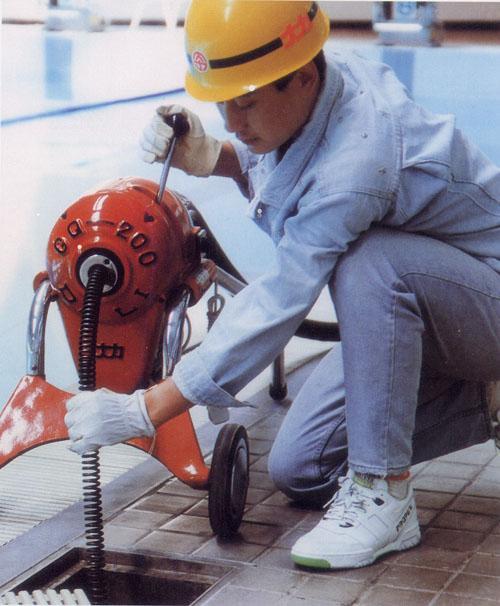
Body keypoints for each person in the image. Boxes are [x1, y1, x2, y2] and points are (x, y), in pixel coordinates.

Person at [65, 0, 500, 570]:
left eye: (245, 103)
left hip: (486, 301)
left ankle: (384, 494)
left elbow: (280, 299)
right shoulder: (321, 84)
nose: (231, 122)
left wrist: (147, 410)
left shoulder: (358, 161)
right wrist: (214, 158)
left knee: (371, 263)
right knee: (304, 467)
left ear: (304, 77)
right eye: (222, 102)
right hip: (431, 311)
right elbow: (293, 160)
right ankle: (489, 404)